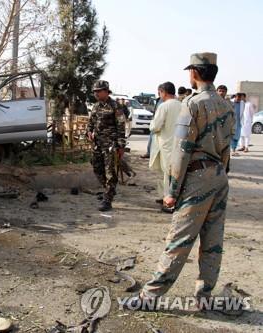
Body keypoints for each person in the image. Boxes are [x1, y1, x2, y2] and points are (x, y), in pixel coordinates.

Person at [126, 52, 234, 310]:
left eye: (190, 71)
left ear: (195, 73)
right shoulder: (225, 105)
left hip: (197, 177)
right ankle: (204, 297)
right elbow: (227, 149)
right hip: (219, 176)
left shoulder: (192, 104)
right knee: (212, 241)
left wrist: (171, 190)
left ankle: (150, 297)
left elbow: (182, 149)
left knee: (179, 240)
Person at [86, 80, 126, 211]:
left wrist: (121, 145)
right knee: (97, 168)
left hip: (110, 145)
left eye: (98, 91)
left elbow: (121, 126)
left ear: (106, 91)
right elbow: (90, 123)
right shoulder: (96, 106)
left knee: (110, 172)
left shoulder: (115, 106)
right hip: (97, 144)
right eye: (94, 92)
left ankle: (107, 199)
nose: (96, 94)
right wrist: (89, 132)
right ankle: (108, 190)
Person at [148, 82, 182, 212]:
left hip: (165, 144)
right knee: (169, 174)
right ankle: (163, 196)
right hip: (177, 145)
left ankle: (168, 202)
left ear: (163, 92)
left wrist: (151, 124)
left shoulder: (164, 106)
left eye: (159, 93)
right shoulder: (182, 105)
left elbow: (155, 126)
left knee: (167, 174)